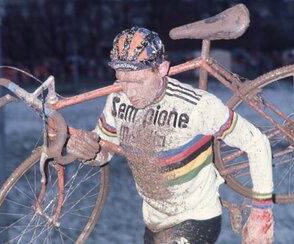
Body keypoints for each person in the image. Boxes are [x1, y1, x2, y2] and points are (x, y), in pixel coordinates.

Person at [66, 27, 274, 243]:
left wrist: (261, 213)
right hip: (155, 222)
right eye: (121, 79)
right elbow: (103, 152)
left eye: (137, 81)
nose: (129, 91)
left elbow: (257, 143)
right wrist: (87, 150)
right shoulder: (117, 99)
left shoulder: (197, 106)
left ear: (162, 68)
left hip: (197, 218)